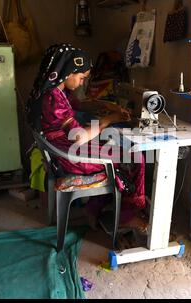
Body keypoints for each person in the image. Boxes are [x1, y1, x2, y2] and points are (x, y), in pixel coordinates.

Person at [26, 43, 147, 232]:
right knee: (134, 157)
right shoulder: (54, 99)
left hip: (62, 150)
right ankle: (127, 216)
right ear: (69, 72)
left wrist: (110, 106)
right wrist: (108, 120)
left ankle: (93, 209)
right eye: (82, 78)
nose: (83, 83)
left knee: (114, 148)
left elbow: (81, 105)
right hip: (69, 157)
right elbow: (80, 137)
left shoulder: (56, 92)